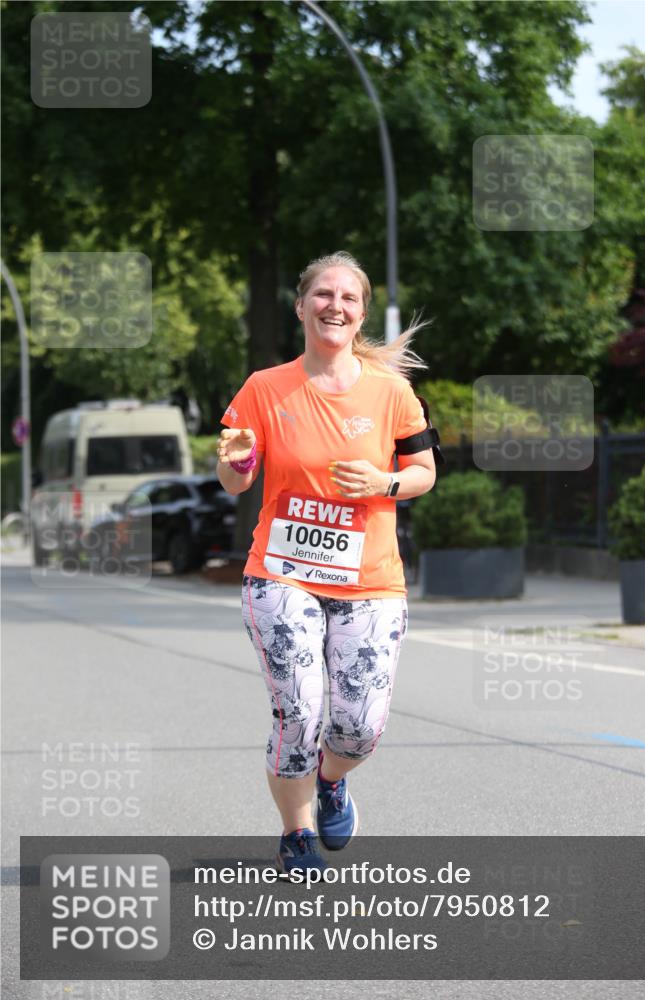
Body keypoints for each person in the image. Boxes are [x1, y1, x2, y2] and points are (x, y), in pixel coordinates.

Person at [217, 251, 436, 877]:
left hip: (371, 581)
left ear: (361, 312)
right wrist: (235, 463)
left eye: (348, 298)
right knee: (300, 711)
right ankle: (297, 834)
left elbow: (424, 472)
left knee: (359, 726)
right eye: (322, 295)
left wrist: (381, 481)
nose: (334, 306)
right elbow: (234, 478)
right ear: (301, 305)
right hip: (281, 573)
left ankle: (333, 778)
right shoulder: (264, 388)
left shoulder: (392, 393)